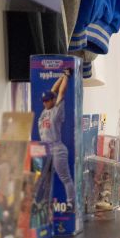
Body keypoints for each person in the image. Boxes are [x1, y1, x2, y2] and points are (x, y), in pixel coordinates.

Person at [38, 69, 76, 210]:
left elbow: (60, 92)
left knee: (65, 178)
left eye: (48, 100)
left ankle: (71, 203)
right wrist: (62, 76)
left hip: (57, 148)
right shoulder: (45, 112)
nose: (46, 102)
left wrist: (66, 76)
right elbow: (53, 90)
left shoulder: (56, 110)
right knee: (43, 179)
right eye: (44, 100)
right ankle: (44, 205)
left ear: (53, 101)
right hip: (45, 148)